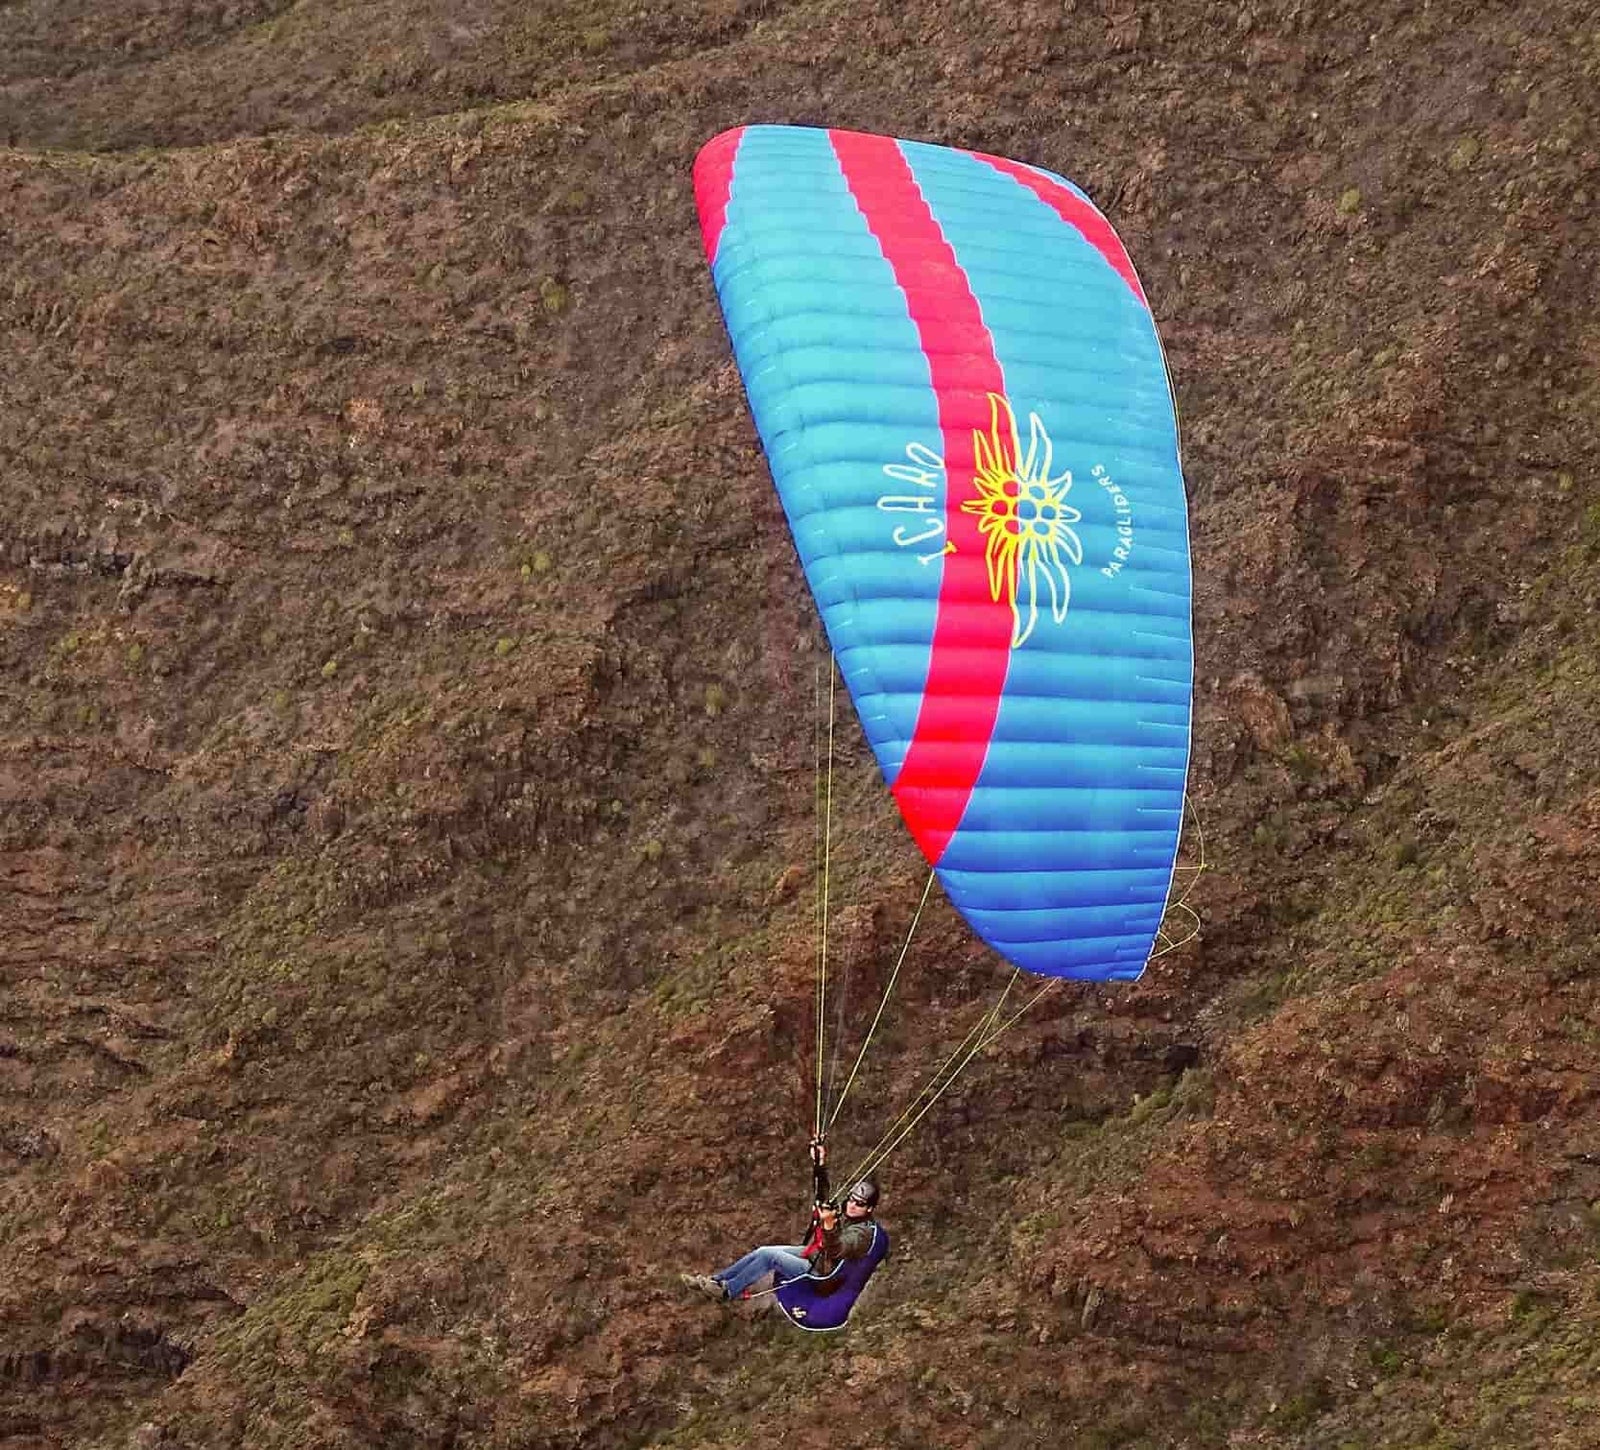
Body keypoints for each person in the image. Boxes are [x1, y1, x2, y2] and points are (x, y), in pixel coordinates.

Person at [681, 1139, 882, 1303]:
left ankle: (728, 1291)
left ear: (869, 1208)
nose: (853, 1205)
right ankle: (716, 1281)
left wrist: (828, 1224)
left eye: (860, 1204)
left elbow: (836, 1250)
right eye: (852, 1200)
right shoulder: (847, 1215)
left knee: (770, 1256)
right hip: (814, 1258)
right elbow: (823, 1198)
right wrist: (820, 1165)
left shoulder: (862, 1233)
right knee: (762, 1251)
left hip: (820, 1275)